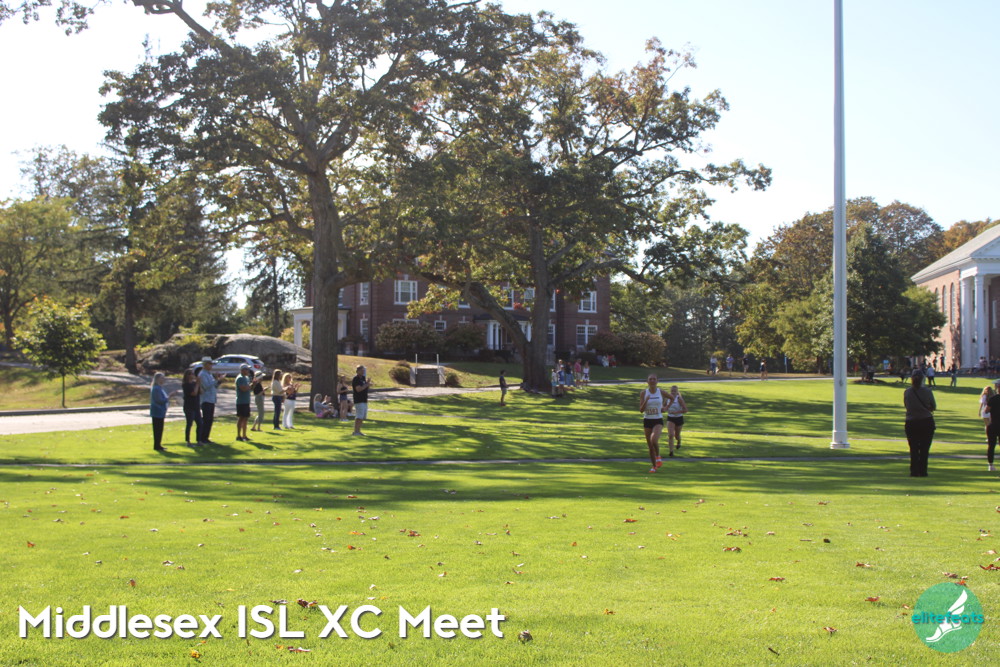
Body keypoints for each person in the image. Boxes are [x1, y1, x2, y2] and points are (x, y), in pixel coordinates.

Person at [903, 368, 936, 477]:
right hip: (926, 420)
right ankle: (923, 470)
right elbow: (933, 406)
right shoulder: (927, 391)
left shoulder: (907, 392)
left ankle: (914, 470)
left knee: (913, 448)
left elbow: (906, 405)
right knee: (924, 448)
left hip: (911, 421)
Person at [639, 374, 664, 473]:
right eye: (650, 379)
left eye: (654, 379)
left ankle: (658, 457)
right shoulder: (643, 393)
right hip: (647, 420)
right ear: (647, 381)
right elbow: (641, 410)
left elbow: (671, 398)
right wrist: (646, 400)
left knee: (653, 440)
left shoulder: (660, 392)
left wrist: (665, 407)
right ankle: (654, 467)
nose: (652, 381)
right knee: (650, 446)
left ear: (657, 381)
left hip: (658, 419)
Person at [149, 372, 177, 452]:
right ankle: (157, 445)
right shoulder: (156, 388)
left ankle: (158, 445)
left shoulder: (160, 388)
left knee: (160, 429)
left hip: (160, 412)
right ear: (157, 379)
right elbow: (159, 400)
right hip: (157, 411)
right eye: (162, 378)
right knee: (157, 429)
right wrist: (169, 396)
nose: (163, 379)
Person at [198, 357, 222, 444]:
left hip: (211, 399)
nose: (211, 366)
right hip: (206, 400)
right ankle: (202, 438)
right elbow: (206, 386)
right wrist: (215, 380)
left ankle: (206, 437)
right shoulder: (202, 374)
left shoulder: (209, 374)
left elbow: (214, 386)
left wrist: (219, 381)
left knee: (210, 420)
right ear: (205, 364)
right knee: (206, 419)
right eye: (210, 364)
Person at [181, 368, 203, 446]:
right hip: (189, 407)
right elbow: (193, 393)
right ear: (187, 376)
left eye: (193, 374)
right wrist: (197, 384)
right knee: (189, 424)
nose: (193, 375)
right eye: (191, 374)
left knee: (200, 423)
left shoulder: (194, 383)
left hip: (196, 406)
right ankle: (188, 441)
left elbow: (201, 392)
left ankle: (199, 440)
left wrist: (199, 384)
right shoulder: (186, 385)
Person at [665, 385, 688, 455]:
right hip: (670, 418)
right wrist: (664, 409)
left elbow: (685, 410)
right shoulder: (668, 398)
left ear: (677, 392)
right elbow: (663, 406)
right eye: (672, 391)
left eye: (674, 391)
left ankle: (679, 441)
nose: (673, 392)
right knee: (670, 435)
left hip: (678, 418)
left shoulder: (679, 399)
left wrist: (676, 412)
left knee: (676, 435)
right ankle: (671, 451)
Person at [351, 365, 372, 436]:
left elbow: (365, 388)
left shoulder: (363, 378)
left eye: (364, 370)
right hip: (358, 400)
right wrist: (366, 384)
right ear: (357, 371)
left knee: (362, 416)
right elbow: (358, 389)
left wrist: (368, 383)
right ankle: (356, 431)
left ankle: (358, 431)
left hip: (364, 399)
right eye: (361, 370)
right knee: (359, 416)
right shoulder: (356, 379)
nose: (363, 372)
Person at [984, 380, 1000, 473]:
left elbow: (986, 410)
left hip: (993, 424)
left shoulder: (993, 399)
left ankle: (990, 465)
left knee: (991, 446)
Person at [234, 364, 252, 441]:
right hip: (241, 401)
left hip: (246, 400)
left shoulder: (246, 378)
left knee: (246, 418)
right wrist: (251, 385)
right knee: (241, 418)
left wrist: (253, 385)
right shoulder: (240, 378)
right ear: (242, 370)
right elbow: (243, 389)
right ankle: (238, 435)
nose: (248, 371)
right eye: (246, 369)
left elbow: (249, 388)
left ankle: (244, 435)